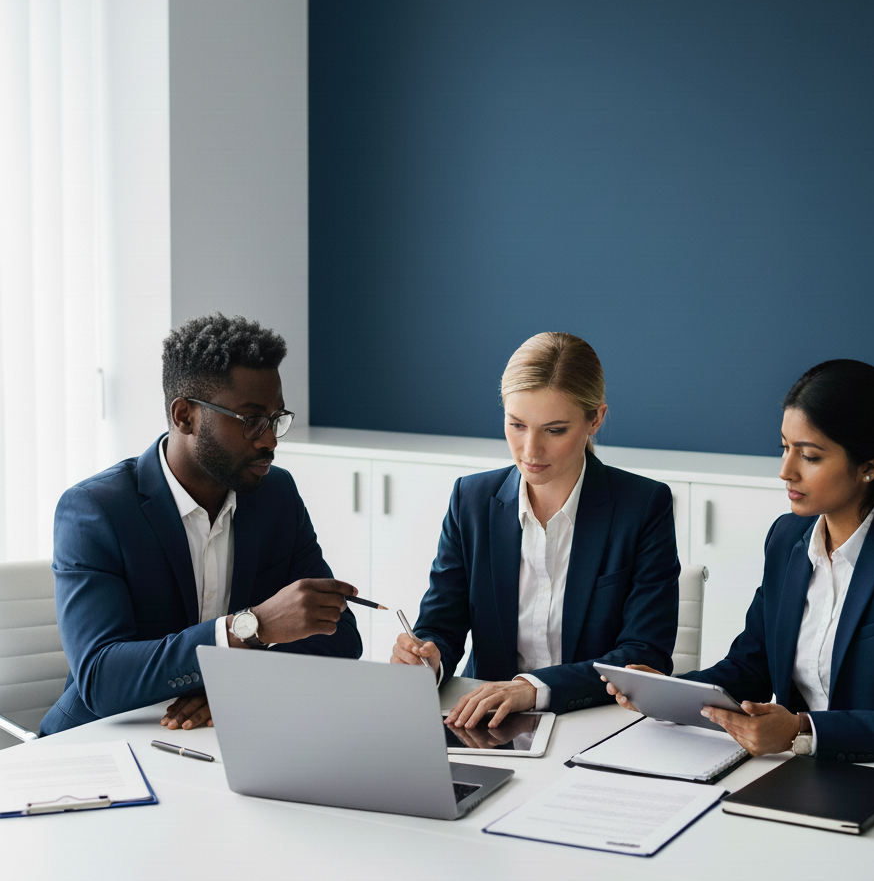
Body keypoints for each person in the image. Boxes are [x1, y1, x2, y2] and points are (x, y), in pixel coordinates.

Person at [605, 359, 874, 762]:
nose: (785, 471)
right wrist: (669, 692)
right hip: (794, 772)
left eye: (809, 456)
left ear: (870, 466)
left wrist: (802, 730)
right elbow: (750, 669)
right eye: (785, 448)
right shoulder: (786, 538)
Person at [41, 313, 362, 736]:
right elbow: (102, 678)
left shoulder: (275, 495)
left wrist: (231, 680)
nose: (270, 440)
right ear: (185, 416)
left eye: (275, 418)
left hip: (218, 734)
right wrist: (249, 628)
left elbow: (339, 637)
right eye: (251, 420)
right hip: (103, 740)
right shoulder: (95, 511)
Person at [390, 332, 681, 730]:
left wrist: (535, 688)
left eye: (554, 430)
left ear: (595, 418)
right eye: (517, 425)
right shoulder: (471, 500)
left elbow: (644, 655)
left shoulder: (642, 506)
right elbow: (441, 624)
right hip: (487, 722)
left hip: (596, 722)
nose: (530, 450)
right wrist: (428, 659)